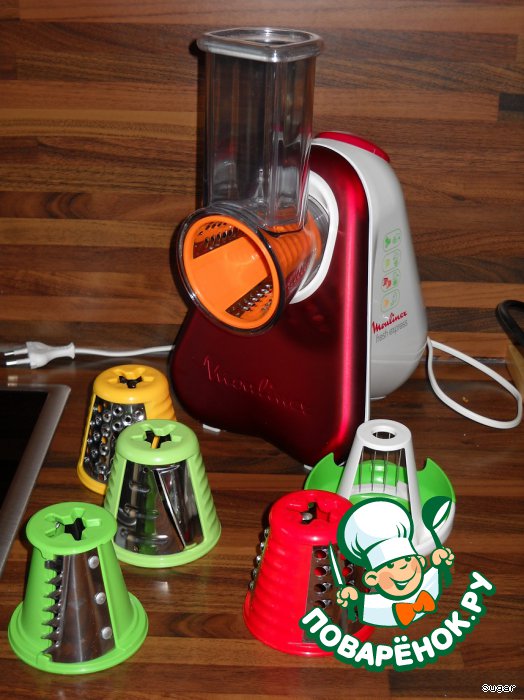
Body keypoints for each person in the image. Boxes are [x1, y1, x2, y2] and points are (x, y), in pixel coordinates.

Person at [336, 498, 454, 628]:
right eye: (391, 565)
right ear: (372, 579)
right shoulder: (376, 605)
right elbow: (358, 604)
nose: (403, 568)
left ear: (420, 561)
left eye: (408, 560)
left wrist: (439, 562)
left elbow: (436, 575)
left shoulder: (426, 584)